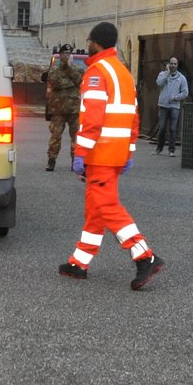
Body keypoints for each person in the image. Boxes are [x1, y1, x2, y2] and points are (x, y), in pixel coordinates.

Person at [58, 22, 166, 290]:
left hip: (100, 153)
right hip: (115, 153)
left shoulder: (96, 72)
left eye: (89, 39)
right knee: (96, 209)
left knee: (106, 207)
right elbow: (133, 117)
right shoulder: (123, 72)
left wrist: (80, 153)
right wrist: (128, 152)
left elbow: (93, 119)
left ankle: (145, 255)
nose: (88, 42)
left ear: (96, 42)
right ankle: (79, 263)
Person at [43, 48, 82, 172]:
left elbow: (80, 80)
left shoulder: (77, 69)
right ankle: (51, 160)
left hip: (74, 109)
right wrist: (71, 83)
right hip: (58, 109)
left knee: (76, 137)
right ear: (60, 55)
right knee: (55, 136)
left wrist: (69, 69)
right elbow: (56, 82)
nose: (66, 55)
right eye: (64, 53)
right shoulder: (54, 69)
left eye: (68, 53)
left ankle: (74, 161)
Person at [153, 56, 188, 154]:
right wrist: (167, 73)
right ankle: (159, 149)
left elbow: (185, 92)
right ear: (168, 64)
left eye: (175, 64)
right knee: (162, 128)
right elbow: (159, 83)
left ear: (177, 65)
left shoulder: (182, 78)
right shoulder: (162, 74)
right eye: (171, 63)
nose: (173, 65)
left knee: (173, 129)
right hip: (163, 106)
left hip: (174, 107)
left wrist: (175, 98)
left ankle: (171, 150)